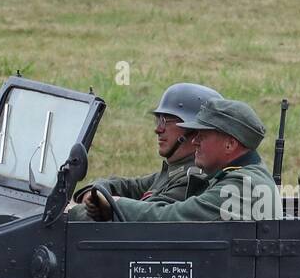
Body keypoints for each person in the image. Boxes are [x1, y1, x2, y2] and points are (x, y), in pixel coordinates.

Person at [83, 99, 278, 222]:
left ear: (230, 144)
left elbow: (177, 217)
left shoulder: (244, 185)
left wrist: (115, 205)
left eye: (203, 135)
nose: (195, 140)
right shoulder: (230, 175)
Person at [69, 83, 220, 219]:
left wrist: (73, 211)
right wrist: (95, 191)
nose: (158, 129)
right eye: (158, 120)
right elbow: (129, 186)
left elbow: (141, 220)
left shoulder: (192, 178)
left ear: (194, 129)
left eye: (166, 121)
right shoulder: (174, 171)